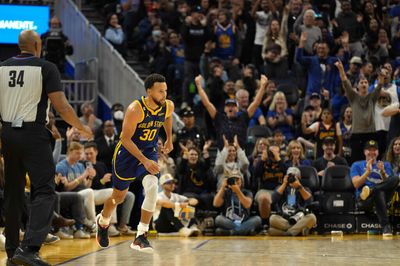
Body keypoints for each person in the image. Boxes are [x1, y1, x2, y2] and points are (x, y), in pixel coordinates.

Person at [0, 30, 91, 265]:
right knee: (44, 190)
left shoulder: (1, 68)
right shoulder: (46, 67)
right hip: (33, 134)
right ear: (37, 44)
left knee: (13, 193)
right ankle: (30, 248)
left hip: (7, 134)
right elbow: (61, 106)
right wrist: (81, 127)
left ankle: (12, 252)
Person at [96, 74, 174, 252]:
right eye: (160, 91)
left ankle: (141, 235)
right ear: (149, 91)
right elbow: (124, 139)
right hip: (127, 154)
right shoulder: (135, 109)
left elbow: (168, 117)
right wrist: (144, 161)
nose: (164, 94)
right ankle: (103, 221)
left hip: (148, 151)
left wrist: (169, 138)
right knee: (118, 197)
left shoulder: (167, 105)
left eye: (166, 90)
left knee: (153, 186)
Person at [351, 140, 399, 236]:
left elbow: (390, 183)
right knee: (379, 192)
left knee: (395, 178)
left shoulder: (385, 165)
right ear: (364, 152)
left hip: (384, 197)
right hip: (364, 199)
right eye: (369, 150)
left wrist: (382, 172)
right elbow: (356, 184)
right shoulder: (357, 165)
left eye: (375, 150)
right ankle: (386, 226)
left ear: (378, 152)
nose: (372, 152)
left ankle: (372, 190)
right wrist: (368, 171)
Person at [268, 167, 317, 236]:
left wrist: (299, 187)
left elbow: (310, 201)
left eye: (294, 177)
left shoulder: (304, 188)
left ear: (299, 178)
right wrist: (284, 184)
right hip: (284, 219)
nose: (292, 180)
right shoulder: (281, 187)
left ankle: (285, 233)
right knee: (272, 218)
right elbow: (273, 199)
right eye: (290, 177)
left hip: (299, 219)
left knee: (312, 218)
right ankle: (298, 231)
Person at [213, 169, 261, 236]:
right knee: (218, 219)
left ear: (241, 181)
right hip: (229, 221)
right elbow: (216, 204)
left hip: (244, 221)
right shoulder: (226, 192)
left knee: (257, 219)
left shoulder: (247, 192)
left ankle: (231, 232)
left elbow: (247, 205)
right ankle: (245, 231)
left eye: (237, 179)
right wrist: (223, 187)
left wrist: (238, 191)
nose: (235, 181)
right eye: (233, 179)